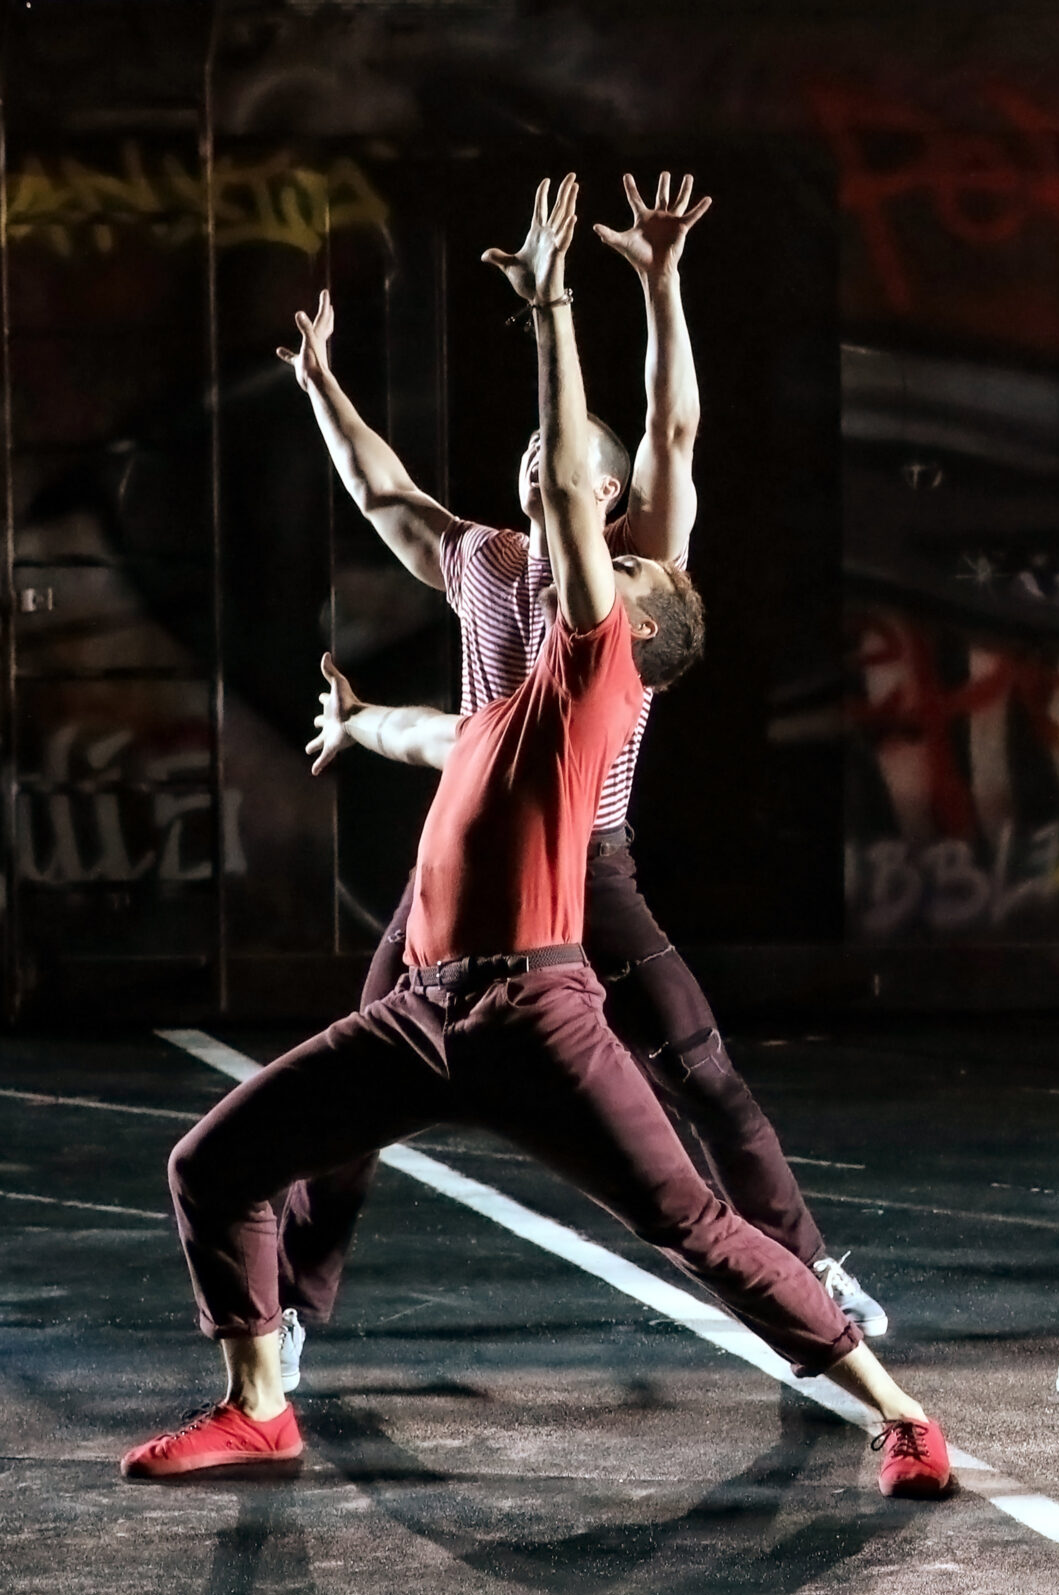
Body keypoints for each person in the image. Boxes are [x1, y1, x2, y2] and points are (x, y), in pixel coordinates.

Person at [123, 178, 950, 1500]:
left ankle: (882, 1392)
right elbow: (418, 617)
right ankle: (265, 1388)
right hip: (436, 989)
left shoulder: (601, 641)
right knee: (223, 1160)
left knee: (694, 1153)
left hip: (550, 951)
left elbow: (651, 440)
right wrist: (326, 390)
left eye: (589, 527)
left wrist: (586, 301)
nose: (552, 504)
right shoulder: (497, 630)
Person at [275, 171, 888, 1393]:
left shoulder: (635, 581)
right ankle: (290, 1304)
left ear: (600, 495)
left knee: (700, 1065)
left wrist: (660, 289)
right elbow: (383, 490)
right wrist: (321, 385)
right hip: (464, 862)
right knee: (355, 1083)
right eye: (525, 456)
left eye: (555, 460)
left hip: (588, 864)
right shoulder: (485, 565)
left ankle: (808, 1270)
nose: (533, 468)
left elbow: (676, 432)